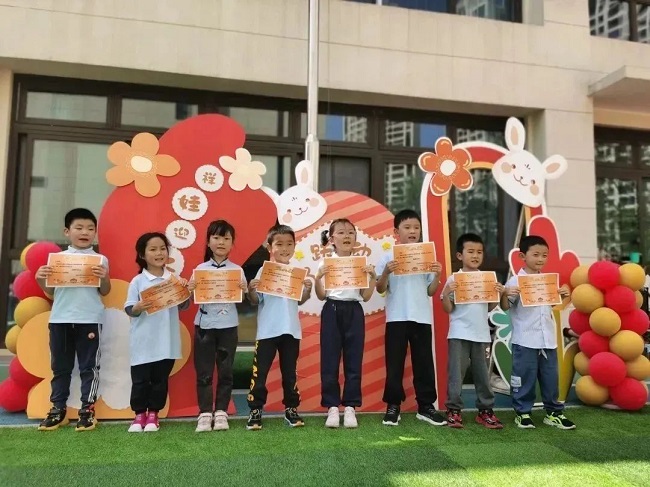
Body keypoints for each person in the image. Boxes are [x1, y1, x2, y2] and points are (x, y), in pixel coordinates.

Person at [35, 208, 111, 431]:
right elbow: (51, 292)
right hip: (60, 319)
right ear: (67, 232)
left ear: (95, 233)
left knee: (89, 367)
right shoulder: (57, 260)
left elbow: (105, 291)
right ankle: (57, 410)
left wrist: (104, 277)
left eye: (90, 228)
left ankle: (87, 410)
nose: (85, 232)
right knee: (60, 367)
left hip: (90, 318)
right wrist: (40, 280)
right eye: (79, 227)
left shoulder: (100, 259)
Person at [375, 209, 447, 427]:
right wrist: (386, 272)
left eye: (416, 227)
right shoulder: (387, 257)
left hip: (421, 317)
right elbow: (380, 288)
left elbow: (430, 291)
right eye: (407, 227)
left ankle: (426, 406)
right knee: (394, 364)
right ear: (396, 232)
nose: (412, 231)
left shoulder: (426, 255)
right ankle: (393, 406)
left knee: (424, 363)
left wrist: (438, 275)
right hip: (396, 317)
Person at [500, 235, 575, 430]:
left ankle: (554, 413)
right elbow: (505, 306)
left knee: (551, 378)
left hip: (547, 339)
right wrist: (505, 294)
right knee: (524, 377)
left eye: (544, 255)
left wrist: (562, 296)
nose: (541, 259)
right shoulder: (515, 281)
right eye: (536, 255)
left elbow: (548, 306)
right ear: (522, 256)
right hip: (525, 339)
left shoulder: (547, 281)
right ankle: (522, 413)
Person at [246, 224, 313, 430]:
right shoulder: (263, 270)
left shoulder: (296, 271)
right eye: (279, 244)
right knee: (259, 373)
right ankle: (255, 410)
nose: (285, 248)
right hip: (267, 331)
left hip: (291, 330)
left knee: (290, 373)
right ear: (270, 247)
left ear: (294, 246)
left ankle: (291, 409)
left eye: (289, 244)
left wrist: (307, 290)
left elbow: (300, 300)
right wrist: (251, 289)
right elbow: (255, 300)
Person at [124, 232, 191, 433]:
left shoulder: (173, 279)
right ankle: (139, 415)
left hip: (166, 341)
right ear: (142, 255)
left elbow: (184, 306)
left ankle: (153, 413)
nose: (159, 253)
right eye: (153, 249)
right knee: (140, 380)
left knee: (160, 380)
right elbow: (129, 309)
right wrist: (138, 307)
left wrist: (186, 291)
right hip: (143, 342)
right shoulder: (138, 281)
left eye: (162, 248)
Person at [314, 218, 377, 428]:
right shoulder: (325, 263)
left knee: (353, 359)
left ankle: (350, 407)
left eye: (350, 232)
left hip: (354, 311)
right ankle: (332, 407)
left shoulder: (361, 263)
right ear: (332, 239)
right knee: (329, 361)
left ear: (356, 238)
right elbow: (321, 295)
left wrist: (373, 278)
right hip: (331, 310)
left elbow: (365, 296)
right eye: (341, 232)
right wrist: (318, 278)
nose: (347, 236)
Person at [440, 233, 504, 429]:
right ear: (460, 255)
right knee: (456, 375)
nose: (475, 256)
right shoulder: (454, 279)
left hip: (481, 334)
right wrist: (446, 293)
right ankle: (453, 410)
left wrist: (497, 294)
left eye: (479, 252)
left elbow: (490, 307)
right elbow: (448, 309)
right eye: (471, 251)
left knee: (483, 375)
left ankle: (485, 411)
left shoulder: (486, 279)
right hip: (459, 333)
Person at [191, 220, 246, 433]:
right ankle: (205, 413)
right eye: (216, 237)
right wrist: (191, 288)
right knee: (204, 372)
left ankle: (221, 411)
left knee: (226, 371)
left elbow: (243, 299)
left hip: (228, 326)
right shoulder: (200, 270)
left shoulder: (237, 270)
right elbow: (192, 299)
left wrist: (244, 289)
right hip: (204, 326)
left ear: (232, 243)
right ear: (208, 242)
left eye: (226, 238)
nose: (221, 242)